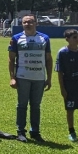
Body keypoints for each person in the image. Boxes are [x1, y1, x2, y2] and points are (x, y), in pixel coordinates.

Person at [8, 14, 52, 142]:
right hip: (22, 77)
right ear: (22, 24)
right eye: (25, 22)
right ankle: (21, 131)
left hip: (39, 78)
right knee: (22, 105)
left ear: (36, 23)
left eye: (30, 22)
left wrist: (49, 78)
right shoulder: (16, 38)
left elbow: (48, 59)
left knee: (36, 106)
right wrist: (12, 77)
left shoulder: (44, 38)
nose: (27, 24)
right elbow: (11, 59)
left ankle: (35, 132)